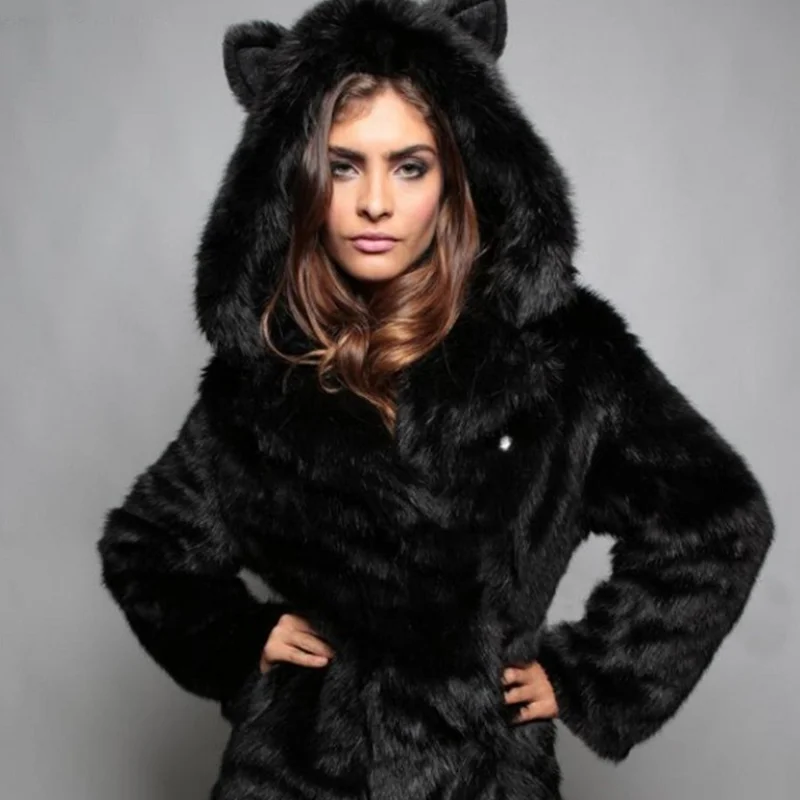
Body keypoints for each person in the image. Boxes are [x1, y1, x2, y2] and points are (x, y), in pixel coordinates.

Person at [96, 2, 774, 799]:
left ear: (456, 172)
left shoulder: (562, 359)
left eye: (409, 166)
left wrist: (588, 674)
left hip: (484, 779)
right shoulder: (262, 379)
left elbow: (715, 521)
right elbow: (147, 546)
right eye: (344, 166)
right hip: (297, 778)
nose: (375, 202)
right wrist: (240, 639)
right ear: (301, 179)